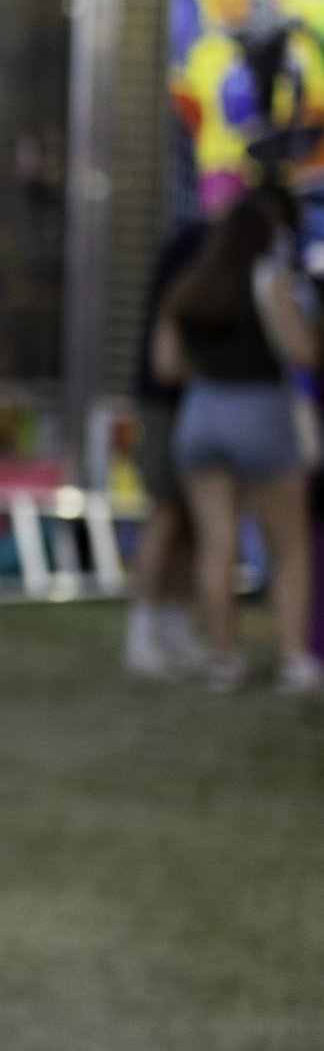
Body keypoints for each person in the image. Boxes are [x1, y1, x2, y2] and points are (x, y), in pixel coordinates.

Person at [159, 181, 320, 694]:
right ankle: (294, 662)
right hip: (262, 412)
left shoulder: (192, 282)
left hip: (201, 412)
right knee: (288, 546)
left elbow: (167, 366)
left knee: (215, 544)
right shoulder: (271, 278)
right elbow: (302, 353)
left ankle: (224, 660)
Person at [124, 211, 211, 680]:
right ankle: (141, 633)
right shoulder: (193, 247)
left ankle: (175, 630)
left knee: (194, 520)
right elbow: (165, 365)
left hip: (194, 404)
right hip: (165, 406)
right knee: (166, 512)